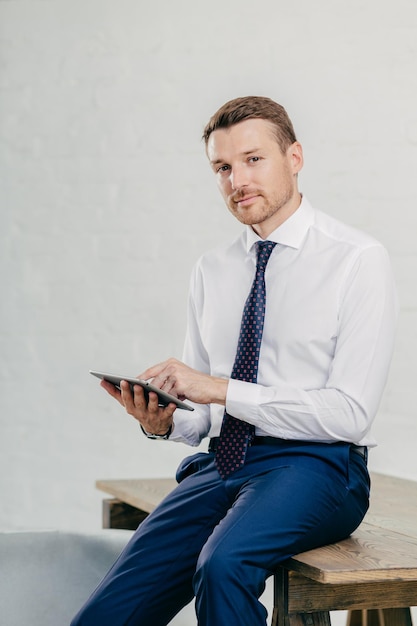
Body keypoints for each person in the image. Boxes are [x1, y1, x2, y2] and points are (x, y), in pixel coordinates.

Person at [71, 96, 397, 626]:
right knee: (110, 611)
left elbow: (350, 414)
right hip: (224, 462)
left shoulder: (357, 260)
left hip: (318, 465)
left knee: (223, 566)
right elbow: (201, 412)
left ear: (294, 158)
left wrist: (219, 388)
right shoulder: (212, 269)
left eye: (253, 159)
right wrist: (166, 420)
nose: (237, 179)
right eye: (222, 167)